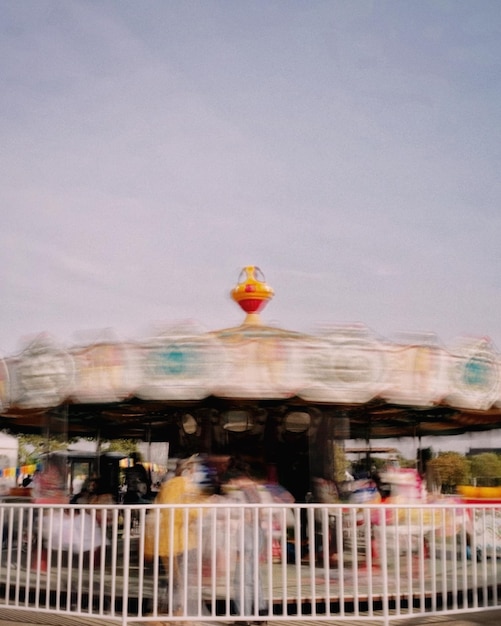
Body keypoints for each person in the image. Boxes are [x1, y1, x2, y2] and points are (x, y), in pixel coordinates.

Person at [144, 455, 206, 617]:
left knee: (172, 577)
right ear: (189, 470)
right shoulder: (187, 486)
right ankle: (177, 609)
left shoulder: (168, 486)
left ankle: (168, 608)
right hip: (181, 538)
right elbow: (191, 511)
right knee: (180, 578)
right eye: (194, 469)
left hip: (166, 538)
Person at [221, 457, 267, 625]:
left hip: (245, 534)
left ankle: (243, 615)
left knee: (242, 577)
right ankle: (260, 610)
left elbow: (238, 516)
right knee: (255, 575)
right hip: (258, 532)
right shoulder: (255, 488)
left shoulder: (239, 492)